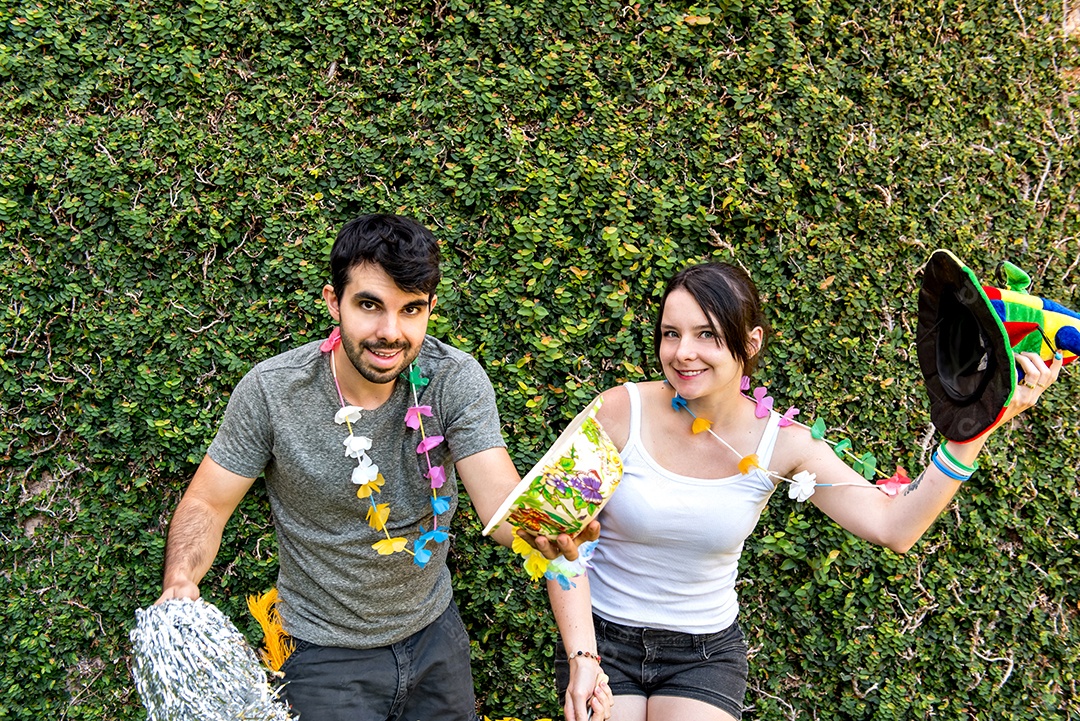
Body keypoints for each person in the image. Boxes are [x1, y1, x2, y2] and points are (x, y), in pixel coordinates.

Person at [549, 261, 1063, 721]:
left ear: (751, 342)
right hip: (600, 639)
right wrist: (583, 656)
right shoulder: (619, 412)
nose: (683, 353)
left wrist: (975, 430)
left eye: (707, 334)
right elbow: (550, 535)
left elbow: (894, 527)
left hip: (702, 655)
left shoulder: (784, 443)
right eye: (671, 334)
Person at [157, 213, 611, 721]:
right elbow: (207, 503)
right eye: (370, 305)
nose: (390, 332)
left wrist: (544, 530)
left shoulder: (453, 379)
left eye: (411, 309)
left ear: (430, 308)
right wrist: (180, 579)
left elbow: (499, 500)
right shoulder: (273, 390)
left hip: (435, 639)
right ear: (334, 301)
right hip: (322, 654)